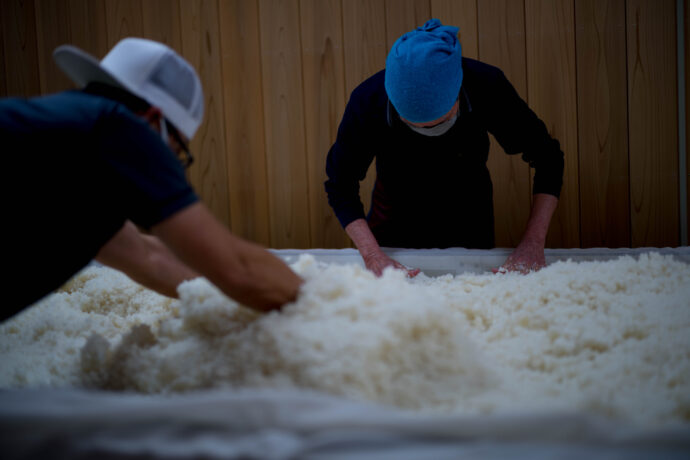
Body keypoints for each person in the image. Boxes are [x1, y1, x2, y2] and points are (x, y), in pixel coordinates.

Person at [2, 38, 302, 321]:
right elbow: (239, 268)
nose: (171, 162)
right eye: (178, 148)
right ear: (154, 120)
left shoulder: (78, 139)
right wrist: (318, 304)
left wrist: (228, 296)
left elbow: (148, 258)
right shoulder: (121, 128)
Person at [325, 19, 564, 277]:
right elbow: (340, 184)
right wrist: (372, 254)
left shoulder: (486, 84)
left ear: (458, 93)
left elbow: (548, 158)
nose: (427, 131)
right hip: (393, 225)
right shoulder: (368, 100)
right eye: (413, 125)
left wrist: (533, 243)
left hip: (469, 220)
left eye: (438, 123)